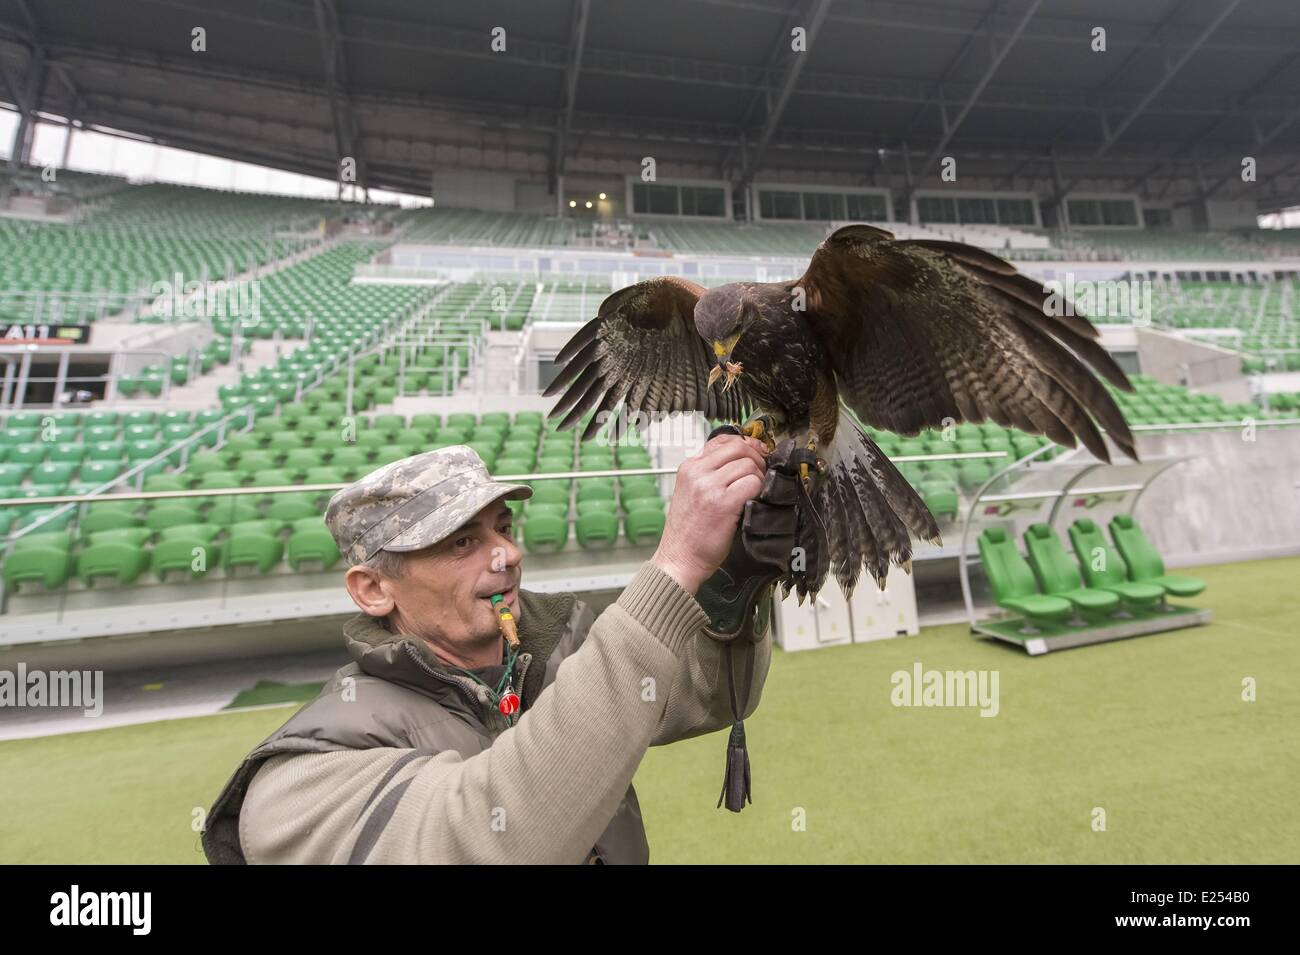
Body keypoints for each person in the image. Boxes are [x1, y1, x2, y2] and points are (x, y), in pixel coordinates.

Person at [202, 432, 773, 864]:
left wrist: (732, 579)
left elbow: (705, 695)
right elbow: (487, 836)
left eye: (503, 527)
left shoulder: (548, 650)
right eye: (462, 542)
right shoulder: (300, 779)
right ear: (373, 590)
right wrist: (675, 568)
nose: (507, 555)